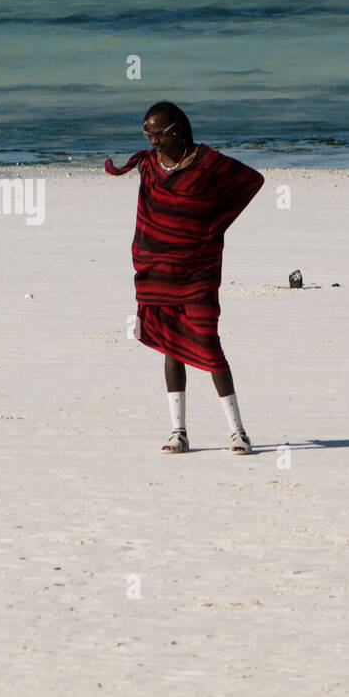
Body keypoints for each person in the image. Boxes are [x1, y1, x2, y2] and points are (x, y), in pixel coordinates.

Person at [105, 102, 264, 453]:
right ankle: (179, 432)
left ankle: (238, 432)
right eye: (146, 134)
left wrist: (214, 225)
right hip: (159, 275)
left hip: (198, 274)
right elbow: (146, 214)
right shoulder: (148, 166)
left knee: (209, 345)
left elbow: (252, 181)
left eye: (157, 134)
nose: (152, 141)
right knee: (170, 347)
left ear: (176, 130)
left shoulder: (208, 163)